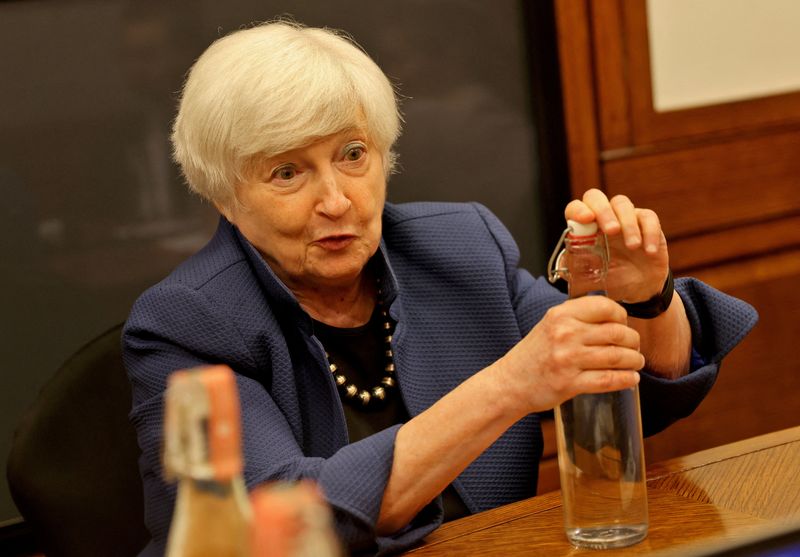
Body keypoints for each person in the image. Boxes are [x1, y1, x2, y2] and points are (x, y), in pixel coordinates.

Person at [122, 21, 757, 557]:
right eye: (288, 172)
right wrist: (510, 385)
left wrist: (647, 300)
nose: (338, 200)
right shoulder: (185, 322)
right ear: (223, 194)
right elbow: (280, 523)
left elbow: (640, 396)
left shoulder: (458, 246)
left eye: (352, 154)